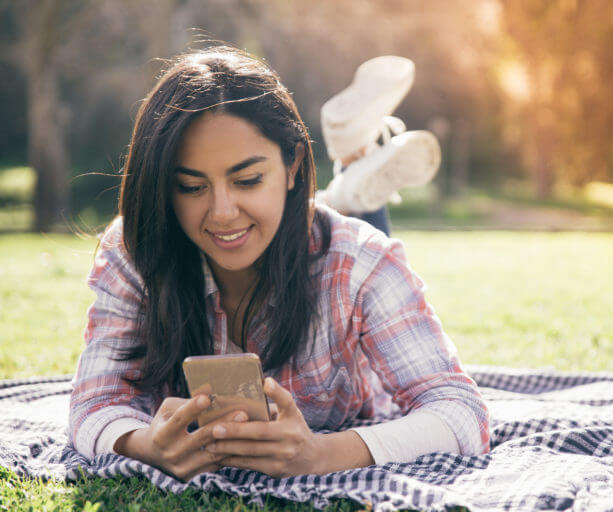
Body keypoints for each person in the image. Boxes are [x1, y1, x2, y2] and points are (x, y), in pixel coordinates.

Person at [68, 46, 489, 482]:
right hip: (296, 223)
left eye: (248, 180)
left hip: (321, 241)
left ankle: (353, 170)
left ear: (293, 166)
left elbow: (460, 413)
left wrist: (321, 454)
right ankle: (352, 170)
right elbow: (94, 402)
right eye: (192, 187)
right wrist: (143, 444)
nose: (223, 211)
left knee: (334, 235)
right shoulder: (137, 251)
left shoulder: (361, 263)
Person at [316, 56, 441, 236]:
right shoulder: (364, 182)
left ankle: (342, 190)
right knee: (357, 202)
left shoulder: (358, 182)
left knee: (351, 198)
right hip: (355, 188)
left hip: (351, 184)